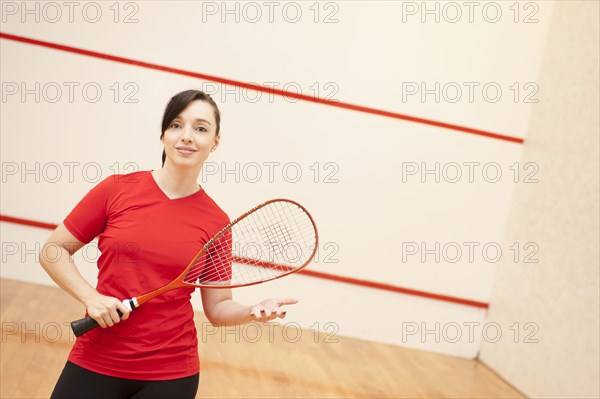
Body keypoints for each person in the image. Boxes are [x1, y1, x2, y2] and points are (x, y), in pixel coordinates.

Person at [40, 89, 298, 399]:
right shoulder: (116, 190)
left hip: (171, 373)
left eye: (200, 128)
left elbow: (217, 309)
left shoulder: (216, 222)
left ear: (215, 142)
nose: (187, 136)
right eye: (176, 125)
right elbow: (53, 251)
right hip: (97, 357)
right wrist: (91, 298)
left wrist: (252, 309)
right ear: (163, 134)